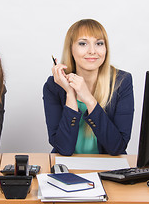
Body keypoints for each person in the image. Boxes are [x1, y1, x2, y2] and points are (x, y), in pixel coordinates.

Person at [43, 19, 134, 156]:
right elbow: (64, 149)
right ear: (71, 49)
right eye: (83, 43)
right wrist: (70, 94)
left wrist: (89, 100)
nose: (92, 51)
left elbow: (117, 147)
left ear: (106, 49)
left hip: (108, 169)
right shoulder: (54, 86)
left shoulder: (121, 82)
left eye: (99, 43)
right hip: (68, 168)